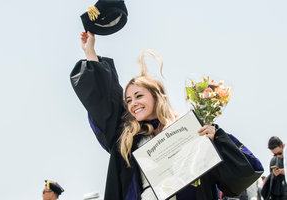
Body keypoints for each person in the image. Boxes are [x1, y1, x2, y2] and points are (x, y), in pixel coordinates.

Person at [70, 31, 263, 200]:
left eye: (139, 96)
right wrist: (90, 53)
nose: (133, 103)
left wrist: (215, 140)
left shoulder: (188, 130)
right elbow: (105, 101)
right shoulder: (128, 138)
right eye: (128, 100)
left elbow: (238, 175)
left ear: (156, 97)